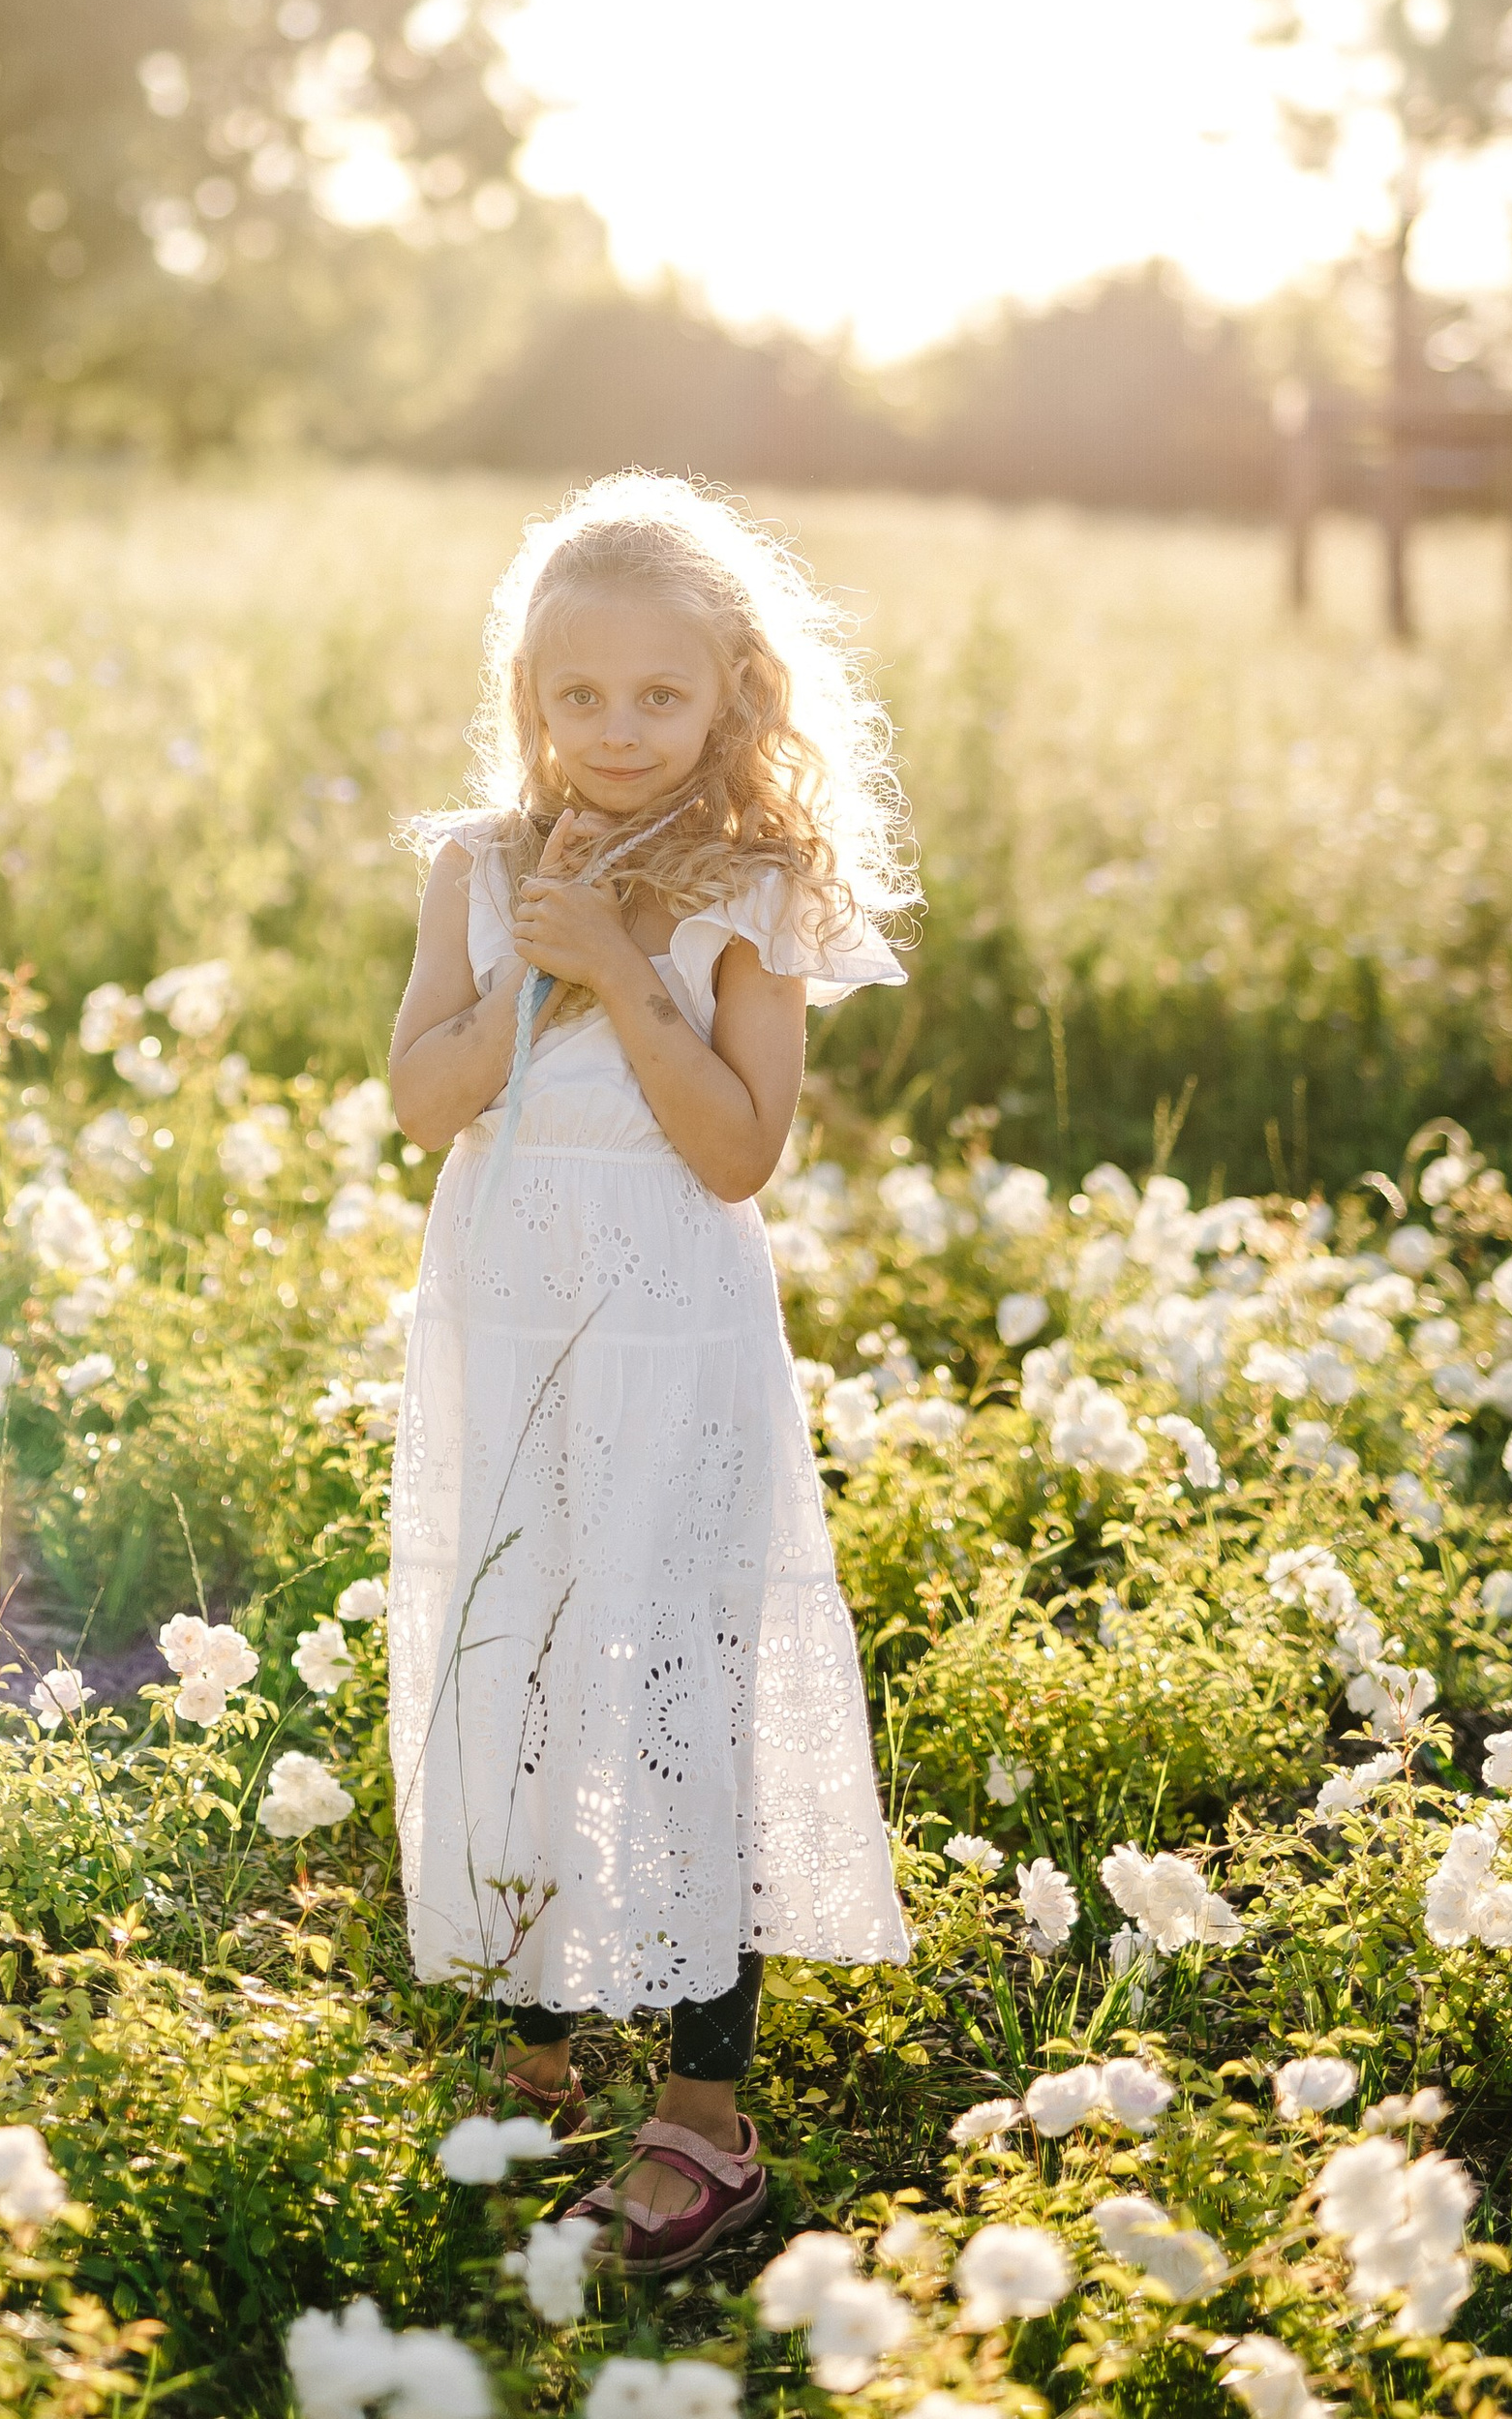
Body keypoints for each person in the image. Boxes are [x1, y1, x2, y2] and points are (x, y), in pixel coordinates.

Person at [386, 471, 916, 2276]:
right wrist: (533, 962)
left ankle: (704, 2114)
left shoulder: (757, 884)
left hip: (673, 1326)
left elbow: (737, 1148)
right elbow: (422, 1101)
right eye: (577, 697)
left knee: (677, 1663)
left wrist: (619, 965)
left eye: (660, 697)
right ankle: (541, 2049)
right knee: (522, 1641)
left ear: (732, 696)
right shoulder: (479, 863)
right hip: (511, 1313)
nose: (617, 732)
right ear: (528, 701)